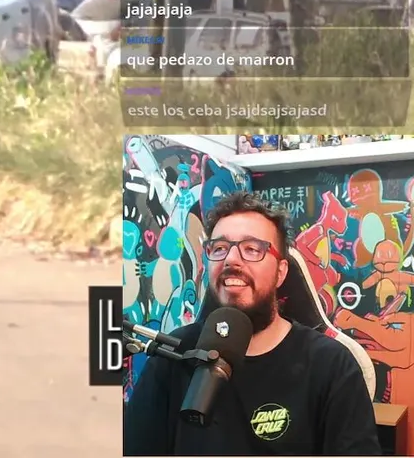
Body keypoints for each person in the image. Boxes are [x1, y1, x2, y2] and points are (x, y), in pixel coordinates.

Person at [124, 191, 381, 456]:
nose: (231, 259)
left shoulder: (331, 364)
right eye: (219, 248)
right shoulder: (173, 356)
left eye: (252, 249)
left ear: (281, 272)